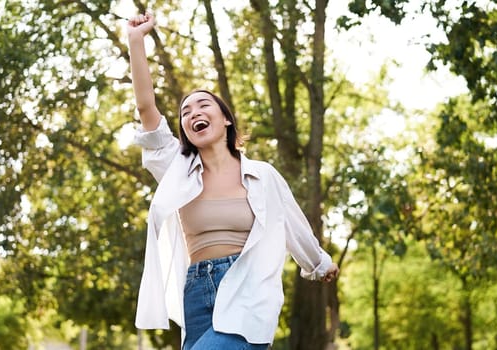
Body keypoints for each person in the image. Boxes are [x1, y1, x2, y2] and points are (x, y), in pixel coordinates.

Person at [125, 13, 340, 350]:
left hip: (247, 292)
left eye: (203, 104)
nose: (194, 112)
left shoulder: (262, 176)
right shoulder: (176, 169)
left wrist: (318, 263)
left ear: (225, 119)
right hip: (195, 293)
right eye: (186, 111)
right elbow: (145, 105)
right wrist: (136, 40)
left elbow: (293, 224)